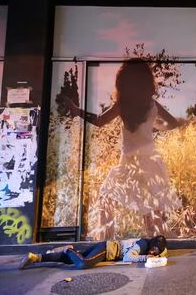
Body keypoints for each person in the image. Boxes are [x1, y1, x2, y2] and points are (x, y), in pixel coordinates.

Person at [64, 59, 181, 239]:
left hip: (128, 164)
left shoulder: (122, 105)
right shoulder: (152, 105)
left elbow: (99, 121)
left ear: (124, 82)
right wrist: (156, 126)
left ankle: (106, 240)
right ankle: (158, 243)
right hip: (150, 163)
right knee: (152, 210)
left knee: (106, 199)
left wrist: (78, 111)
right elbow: (173, 123)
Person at [19, 235, 167, 270]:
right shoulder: (143, 244)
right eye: (154, 250)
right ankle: (69, 249)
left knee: (71, 260)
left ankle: (36, 257)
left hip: (105, 246)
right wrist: (145, 258)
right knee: (83, 263)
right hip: (107, 249)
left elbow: (163, 251)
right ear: (151, 245)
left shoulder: (151, 246)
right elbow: (128, 256)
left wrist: (160, 255)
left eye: (156, 252)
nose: (153, 253)